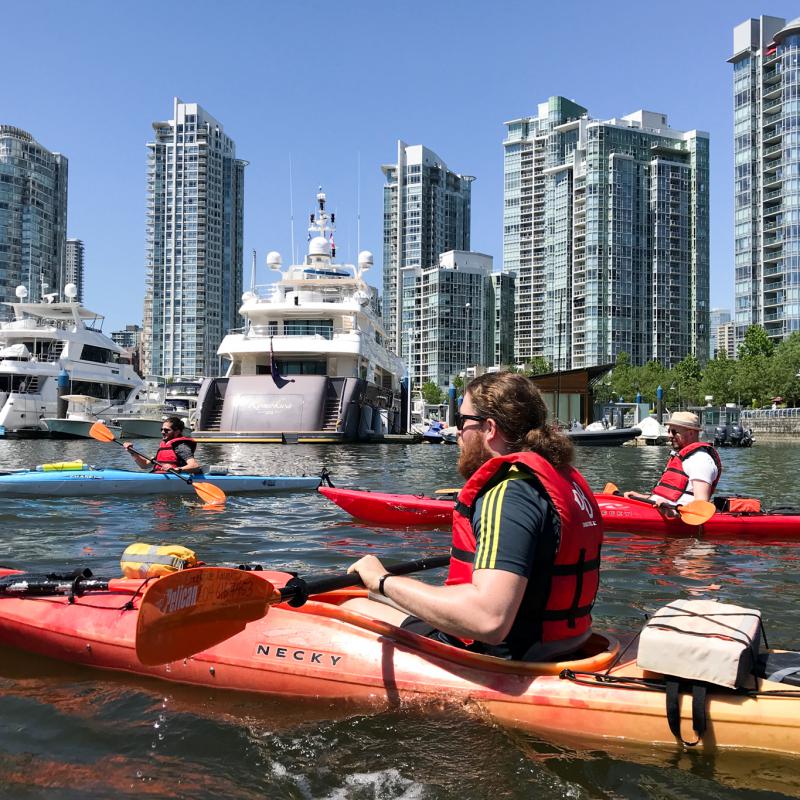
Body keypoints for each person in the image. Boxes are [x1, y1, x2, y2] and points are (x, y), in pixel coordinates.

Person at [345, 371, 603, 662]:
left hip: (505, 657)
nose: (457, 432)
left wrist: (382, 580)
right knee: (374, 598)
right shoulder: (556, 477)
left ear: (489, 428)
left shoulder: (508, 493)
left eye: (462, 420)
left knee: (352, 611)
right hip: (564, 642)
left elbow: (488, 620)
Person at [624, 411, 721, 515]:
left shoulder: (700, 460)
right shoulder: (683, 457)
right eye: (669, 431)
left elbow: (701, 506)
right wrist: (643, 497)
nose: (669, 435)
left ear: (691, 433)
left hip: (677, 516)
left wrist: (671, 511)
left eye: (674, 432)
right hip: (657, 508)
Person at [123, 416, 202, 474]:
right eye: (162, 429)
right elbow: (144, 465)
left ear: (177, 432)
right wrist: (133, 452)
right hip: (159, 475)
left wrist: (177, 469)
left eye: (166, 430)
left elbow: (194, 466)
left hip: (175, 477)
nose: (163, 432)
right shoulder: (164, 446)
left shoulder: (181, 446)